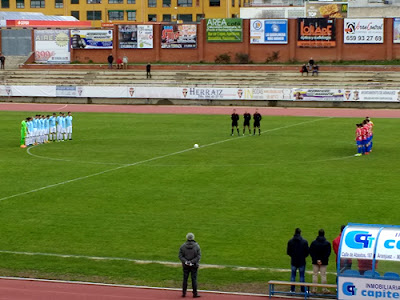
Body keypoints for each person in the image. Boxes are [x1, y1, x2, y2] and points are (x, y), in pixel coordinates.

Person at [179, 233, 201, 298]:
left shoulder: (183, 246)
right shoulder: (197, 246)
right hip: (194, 265)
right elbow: (198, 256)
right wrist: (192, 262)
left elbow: (180, 256)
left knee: (185, 279)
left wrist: (186, 261)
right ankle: (195, 293)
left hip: (185, 265)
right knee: (194, 279)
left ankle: (184, 293)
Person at [287, 228, 309, 293]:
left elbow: (288, 252)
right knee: (302, 276)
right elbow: (307, 252)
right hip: (302, 261)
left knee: (293, 276)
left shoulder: (290, 241)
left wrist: (293, 256)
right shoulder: (304, 242)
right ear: (300, 233)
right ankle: (303, 290)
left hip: (293, 261)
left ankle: (292, 289)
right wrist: (303, 257)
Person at [309, 229, 331, 294]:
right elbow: (328, 253)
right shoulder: (327, 243)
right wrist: (322, 260)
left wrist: (317, 260)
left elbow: (311, 252)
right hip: (324, 262)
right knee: (323, 275)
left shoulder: (314, 243)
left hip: (315, 262)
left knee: (315, 275)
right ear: (324, 234)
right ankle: (324, 289)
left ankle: (314, 289)